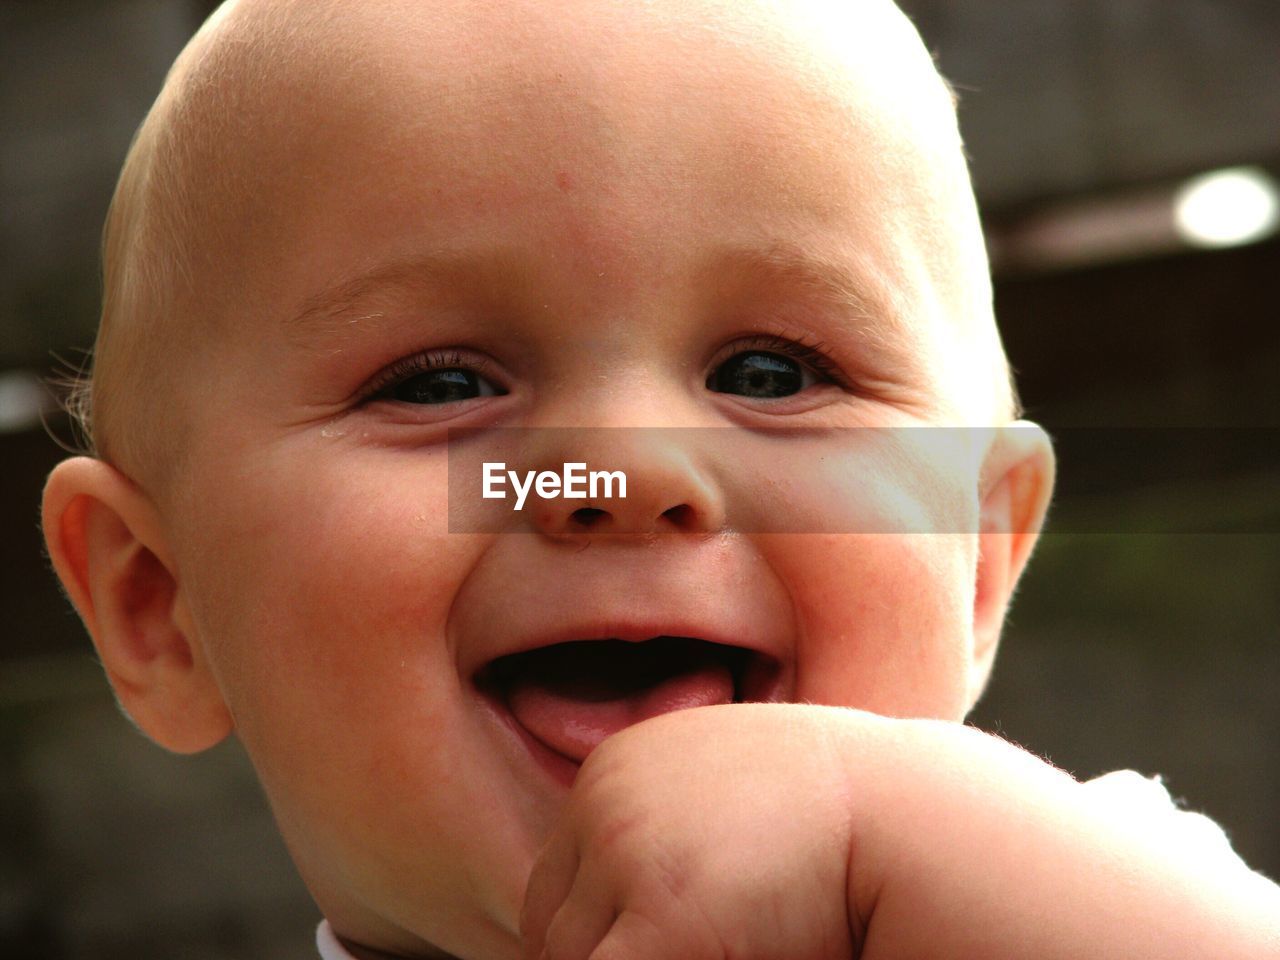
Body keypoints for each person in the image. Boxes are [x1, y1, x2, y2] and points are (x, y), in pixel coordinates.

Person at [39, 1, 1280, 958]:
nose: (624, 474)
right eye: (437, 386)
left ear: (972, 559)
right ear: (160, 603)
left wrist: (888, 838)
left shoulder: (1097, 906)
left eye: (770, 372)